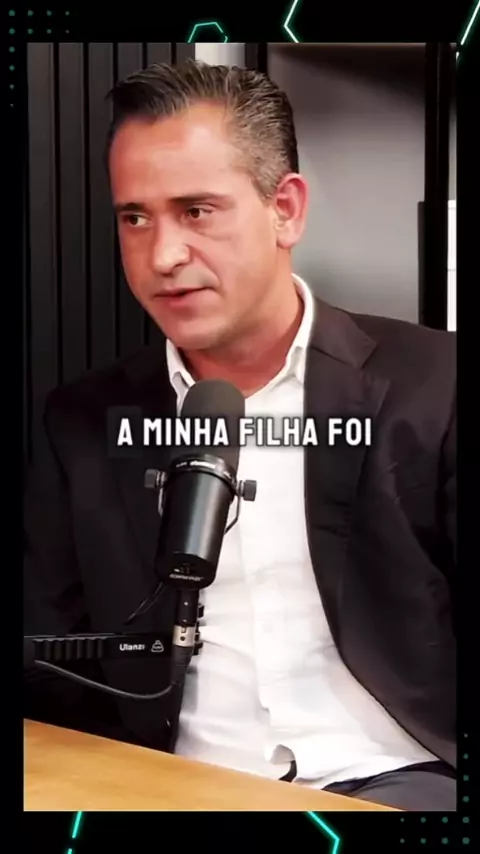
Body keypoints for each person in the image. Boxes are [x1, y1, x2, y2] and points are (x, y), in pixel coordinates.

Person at [24, 60, 456, 811]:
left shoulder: (436, 383)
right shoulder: (81, 421)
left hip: (400, 780)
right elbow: (52, 662)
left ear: (285, 209)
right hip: (167, 786)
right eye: (135, 218)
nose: (162, 256)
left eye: (197, 211)